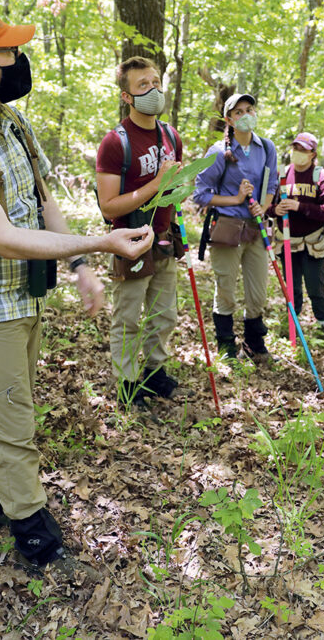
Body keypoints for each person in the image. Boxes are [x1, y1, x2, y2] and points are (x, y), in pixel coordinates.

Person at [0, 8, 154, 578]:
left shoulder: (12, 123)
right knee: (14, 425)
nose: (21, 62)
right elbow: (1, 238)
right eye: (10, 54)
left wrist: (84, 265)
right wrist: (103, 241)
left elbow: (43, 198)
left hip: (26, 300)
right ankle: (37, 541)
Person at [95, 56, 186, 407]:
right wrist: (156, 183)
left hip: (164, 239)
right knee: (129, 317)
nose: (153, 89)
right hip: (130, 239)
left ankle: (154, 372)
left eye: (156, 81)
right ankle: (128, 384)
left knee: (164, 315)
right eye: (142, 85)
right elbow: (109, 206)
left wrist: (176, 192)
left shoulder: (170, 135)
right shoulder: (115, 143)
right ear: (127, 97)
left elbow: (173, 188)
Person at [193, 93, 278, 360]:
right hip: (227, 228)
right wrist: (237, 199)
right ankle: (227, 345)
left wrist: (262, 207)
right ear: (229, 119)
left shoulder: (267, 147)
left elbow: (271, 185)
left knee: (258, 291)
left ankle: (254, 343)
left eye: (249, 109)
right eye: (238, 112)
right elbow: (201, 194)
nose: (245, 115)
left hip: (256, 228)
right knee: (226, 287)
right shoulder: (219, 152)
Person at [265, 132, 324, 341]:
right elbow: (266, 203)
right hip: (288, 241)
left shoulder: (322, 177)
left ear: (313, 154)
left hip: (313, 241)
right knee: (292, 287)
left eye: (303, 150)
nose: (298, 153)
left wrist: (300, 206)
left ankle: (323, 326)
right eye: (295, 148)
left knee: (316, 287)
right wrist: (274, 210)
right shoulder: (281, 175)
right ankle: (292, 327)